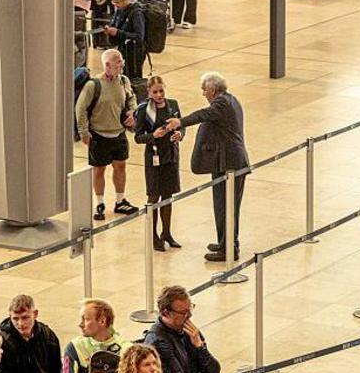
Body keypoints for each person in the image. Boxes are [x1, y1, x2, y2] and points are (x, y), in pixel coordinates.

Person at [178, 71, 250, 262]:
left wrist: (180, 122)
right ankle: (225, 242)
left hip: (230, 164)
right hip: (224, 162)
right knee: (222, 206)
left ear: (212, 89)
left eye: (204, 90)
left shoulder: (222, 103)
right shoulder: (230, 100)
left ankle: (229, 249)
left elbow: (203, 115)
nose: (203, 94)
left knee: (226, 207)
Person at [75, 48, 138, 221]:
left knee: (120, 167)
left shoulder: (124, 81)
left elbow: (131, 98)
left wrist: (133, 112)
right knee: (99, 170)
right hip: (98, 136)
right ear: (107, 65)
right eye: (118, 61)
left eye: (121, 60)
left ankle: (120, 200)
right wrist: (84, 132)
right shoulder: (93, 85)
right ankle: (100, 203)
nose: (122, 63)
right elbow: (80, 109)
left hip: (118, 134)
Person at [133, 76, 183, 251]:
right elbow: (138, 137)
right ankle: (153, 235)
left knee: (168, 196)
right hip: (153, 158)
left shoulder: (173, 105)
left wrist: (180, 135)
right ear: (148, 91)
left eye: (161, 91)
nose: (159, 95)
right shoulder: (144, 111)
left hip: (170, 156)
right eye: (155, 92)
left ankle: (167, 232)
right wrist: (153, 136)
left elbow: (181, 125)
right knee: (154, 196)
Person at [106, 0, 145, 80]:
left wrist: (118, 33)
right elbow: (114, 25)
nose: (115, 5)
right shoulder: (119, 11)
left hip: (134, 53)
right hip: (122, 50)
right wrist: (109, 30)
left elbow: (139, 36)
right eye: (113, 2)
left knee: (133, 80)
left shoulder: (137, 14)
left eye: (117, 2)